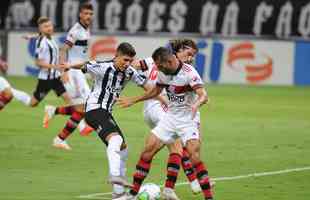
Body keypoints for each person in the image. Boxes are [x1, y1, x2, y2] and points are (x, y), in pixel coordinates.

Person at [117, 47, 213, 200]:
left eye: (160, 66)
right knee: (147, 151)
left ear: (169, 61)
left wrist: (196, 104)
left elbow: (203, 95)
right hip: (170, 118)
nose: (158, 69)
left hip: (188, 119)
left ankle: (208, 197)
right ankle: (132, 194)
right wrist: (133, 100)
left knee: (194, 156)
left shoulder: (189, 73)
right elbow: (155, 92)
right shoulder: (163, 72)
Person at [60, 42, 149, 200]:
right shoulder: (103, 66)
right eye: (125, 60)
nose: (127, 64)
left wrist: (163, 100)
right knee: (115, 139)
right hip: (94, 110)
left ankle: (118, 194)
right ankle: (115, 175)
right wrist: (69, 65)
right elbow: (85, 65)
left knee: (123, 149)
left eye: (130, 61)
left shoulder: (129, 72)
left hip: (106, 112)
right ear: (117, 56)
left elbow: (149, 87)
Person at [43, 2, 94, 150]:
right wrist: (63, 72)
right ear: (80, 14)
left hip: (79, 71)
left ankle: (53, 112)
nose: (88, 16)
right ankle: (60, 138)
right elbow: (63, 50)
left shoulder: (86, 29)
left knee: (83, 107)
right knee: (84, 107)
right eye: (86, 13)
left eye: (90, 14)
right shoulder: (76, 30)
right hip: (72, 72)